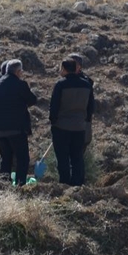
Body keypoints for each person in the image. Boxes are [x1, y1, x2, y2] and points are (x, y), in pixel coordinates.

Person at [49, 57, 93, 186]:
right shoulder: (87, 84)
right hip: (79, 127)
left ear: (64, 69)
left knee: (62, 158)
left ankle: (64, 184)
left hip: (61, 127)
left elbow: (54, 106)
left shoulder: (61, 84)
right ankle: (77, 184)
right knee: (77, 157)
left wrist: (53, 121)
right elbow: (91, 107)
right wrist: (85, 121)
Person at [0, 60, 37, 186]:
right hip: (16, 128)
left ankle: (2, 185)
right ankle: (20, 186)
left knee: (5, 158)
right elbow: (32, 100)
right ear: (18, 71)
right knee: (22, 159)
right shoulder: (20, 84)